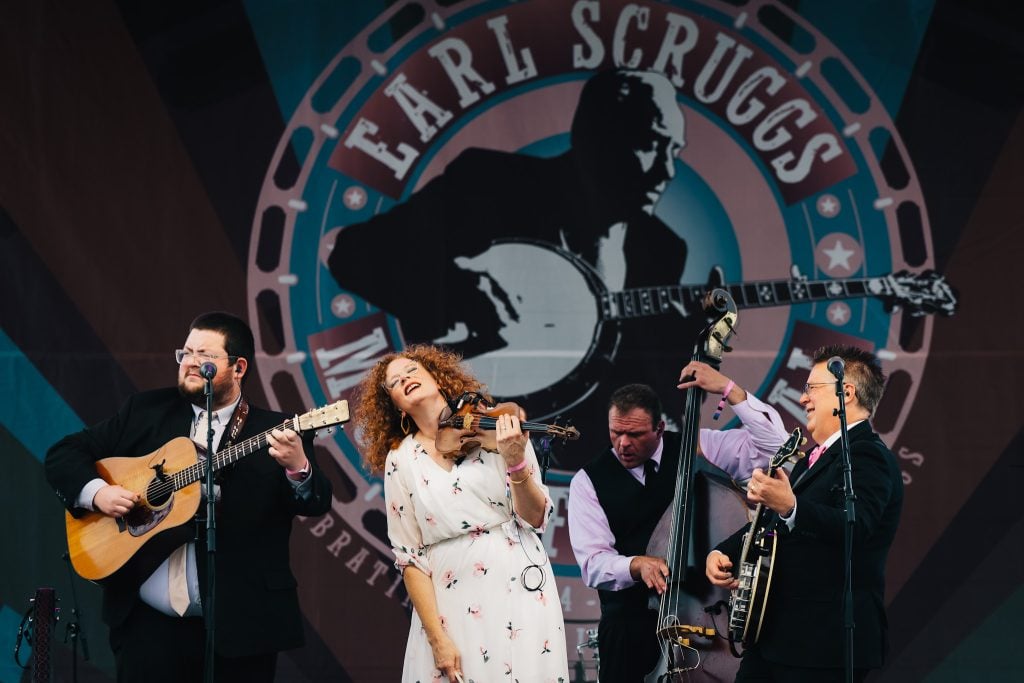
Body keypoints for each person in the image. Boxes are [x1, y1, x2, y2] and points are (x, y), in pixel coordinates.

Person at [329, 68, 695, 466]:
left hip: (570, 463)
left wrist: (681, 345)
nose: (667, 171)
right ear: (599, 136)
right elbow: (354, 253)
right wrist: (461, 294)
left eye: (674, 150)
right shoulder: (491, 184)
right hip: (469, 442)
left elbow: (641, 393)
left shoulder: (662, 249)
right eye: (652, 145)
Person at [45, 312, 333, 682]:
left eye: (205, 356)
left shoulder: (277, 430)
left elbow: (315, 502)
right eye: (187, 352)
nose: (191, 363)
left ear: (238, 367)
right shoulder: (145, 411)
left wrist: (298, 467)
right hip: (147, 627)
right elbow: (63, 454)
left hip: (242, 625)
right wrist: (98, 494)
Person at [352, 344, 569, 682]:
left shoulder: (496, 425)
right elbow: (410, 558)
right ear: (395, 406)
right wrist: (437, 639)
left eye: (412, 371)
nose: (405, 379)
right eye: (394, 382)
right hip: (451, 601)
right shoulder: (401, 459)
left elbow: (536, 517)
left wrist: (515, 460)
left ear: (436, 378)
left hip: (518, 583)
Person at [568, 362, 789, 682]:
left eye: (635, 434)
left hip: (708, 626)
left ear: (659, 428)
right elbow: (593, 563)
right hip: (629, 630)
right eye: (616, 432)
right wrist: (636, 565)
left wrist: (733, 392)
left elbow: (776, 449)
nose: (623, 444)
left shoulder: (700, 446)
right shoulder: (588, 481)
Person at [706, 344, 904, 682]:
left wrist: (790, 506)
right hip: (777, 639)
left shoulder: (868, 456)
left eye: (811, 388)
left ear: (846, 392)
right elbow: (771, 524)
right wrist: (723, 551)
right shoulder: (815, 459)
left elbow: (856, 526)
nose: (802, 399)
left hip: (822, 646)